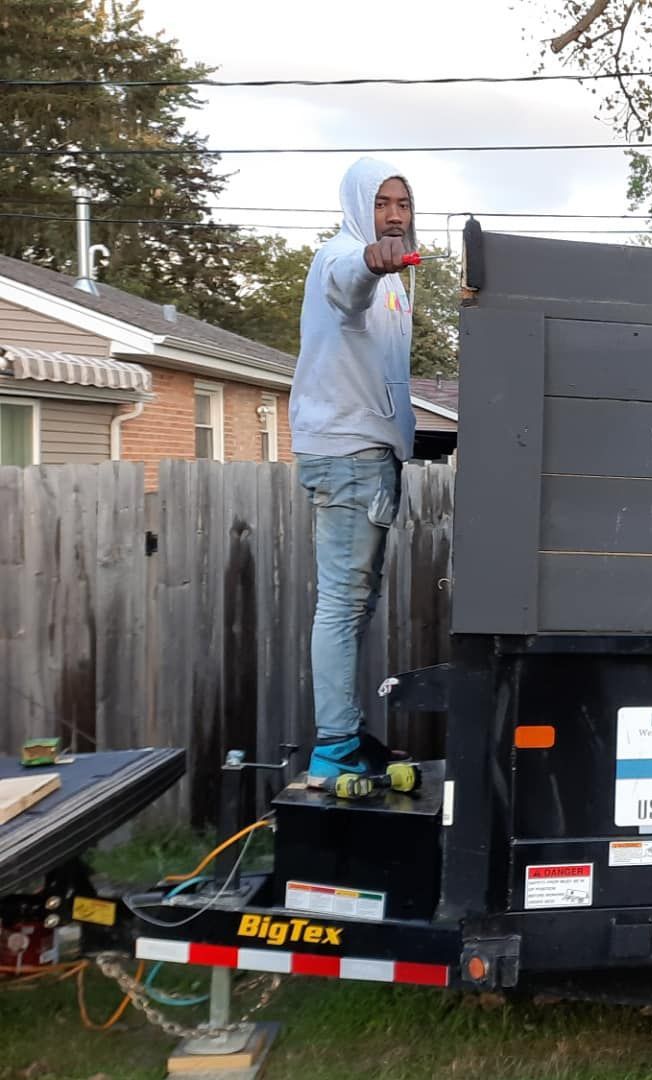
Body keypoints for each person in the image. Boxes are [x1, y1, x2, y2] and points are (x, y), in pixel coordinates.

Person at [290, 156, 419, 786]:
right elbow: (348, 282)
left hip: (369, 453)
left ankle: (344, 734)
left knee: (356, 606)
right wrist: (372, 260)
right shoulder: (339, 256)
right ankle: (333, 748)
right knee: (342, 605)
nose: (394, 216)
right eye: (382, 203)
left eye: (403, 204)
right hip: (347, 454)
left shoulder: (398, 280)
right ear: (358, 206)